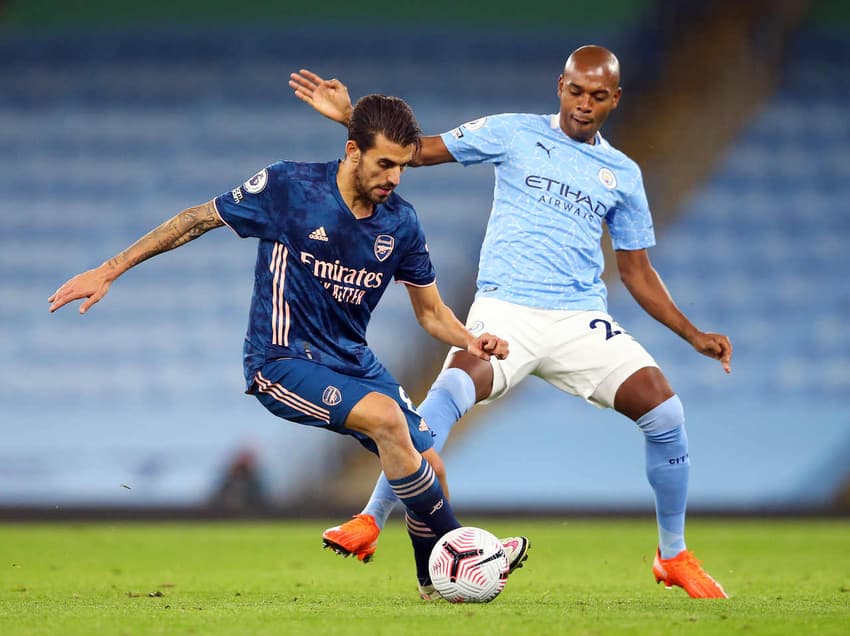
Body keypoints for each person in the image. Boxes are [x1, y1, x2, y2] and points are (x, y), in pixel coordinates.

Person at [289, 44, 733, 599]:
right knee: (448, 392)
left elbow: (637, 272)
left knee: (667, 413)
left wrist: (693, 335)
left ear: (615, 99)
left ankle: (674, 555)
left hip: (578, 318)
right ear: (560, 86)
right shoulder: (513, 133)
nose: (584, 104)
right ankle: (372, 519)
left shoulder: (622, 174)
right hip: (507, 309)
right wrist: (352, 118)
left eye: (598, 96)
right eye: (576, 91)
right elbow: (417, 153)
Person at [48, 94, 528, 600]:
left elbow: (431, 314)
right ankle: (464, 548)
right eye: (385, 164)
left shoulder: (401, 224)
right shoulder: (290, 187)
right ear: (352, 152)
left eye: (403, 167)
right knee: (388, 419)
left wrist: (471, 338)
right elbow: (196, 219)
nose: (394, 178)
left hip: (352, 361)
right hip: (281, 360)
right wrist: (109, 270)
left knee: (430, 463)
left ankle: (434, 583)